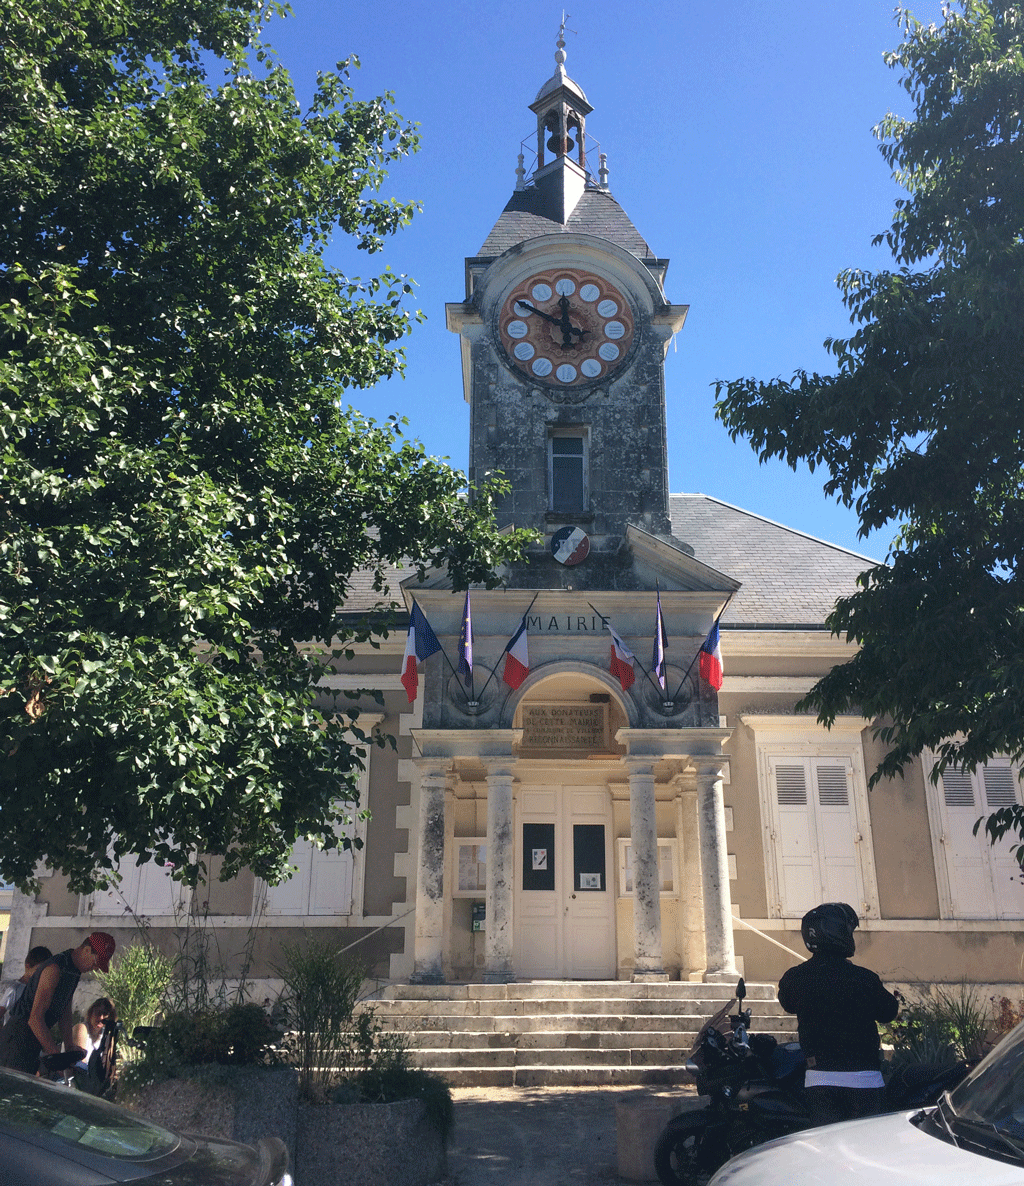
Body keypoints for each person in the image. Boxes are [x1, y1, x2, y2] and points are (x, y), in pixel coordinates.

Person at [778, 902, 899, 1126]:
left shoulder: (795, 978)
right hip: (864, 1081)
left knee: (827, 1152)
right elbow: (888, 1012)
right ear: (840, 933)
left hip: (820, 1081)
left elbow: (788, 1003)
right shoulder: (863, 979)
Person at [0, 932, 115, 1075]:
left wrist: (69, 1046)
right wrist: (57, 1056)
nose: (96, 968)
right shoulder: (55, 968)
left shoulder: (74, 971)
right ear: (86, 950)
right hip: (16, 1041)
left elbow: (65, 1010)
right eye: (96, 962)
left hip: (32, 1042)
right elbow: (35, 1019)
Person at [0, 946, 52, 1027]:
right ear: (28, 967)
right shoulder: (14, 990)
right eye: (38, 970)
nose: (41, 975)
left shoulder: (41, 990)